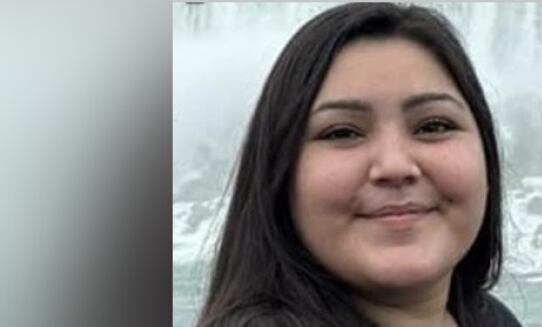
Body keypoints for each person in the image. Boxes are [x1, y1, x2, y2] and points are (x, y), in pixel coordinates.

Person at [198, 3, 521, 327]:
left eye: (433, 126)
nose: (395, 166)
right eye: (342, 132)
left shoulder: (490, 319)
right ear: (280, 174)